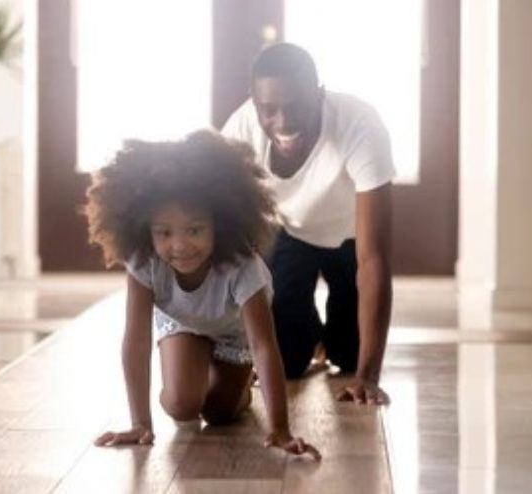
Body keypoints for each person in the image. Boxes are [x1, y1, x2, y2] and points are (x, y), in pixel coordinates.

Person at [85, 130, 320, 459]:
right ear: (145, 229)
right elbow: (136, 340)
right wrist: (140, 422)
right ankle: (194, 367)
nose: (179, 246)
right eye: (164, 233)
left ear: (219, 224)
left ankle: (241, 389)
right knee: (182, 406)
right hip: (183, 326)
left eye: (194, 230)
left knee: (220, 414)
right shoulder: (144, 262)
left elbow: (264, 346)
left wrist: (279, 428)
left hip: (233, 334)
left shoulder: (242, 267)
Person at [221, 42, 394, 405]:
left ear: (319, 95)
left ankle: (335, 339)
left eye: (296, 106)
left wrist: (368, 376)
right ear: (254, 103)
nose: (282, 122)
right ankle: (307, 331)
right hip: (289, 233)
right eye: (269, 110)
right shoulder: (239, 129)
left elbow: (374, 259)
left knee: (348, 357)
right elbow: (224, 243)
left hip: (350, 240)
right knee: (287, 361)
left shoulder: (360, 126)